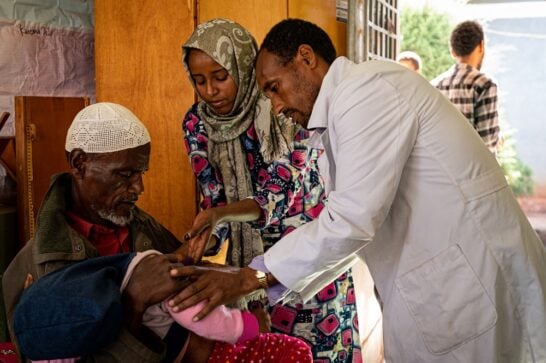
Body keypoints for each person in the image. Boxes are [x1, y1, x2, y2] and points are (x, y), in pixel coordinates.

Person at [169, 18, 546, 363]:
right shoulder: (336, 117)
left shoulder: (366, 90)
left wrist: (251, 277)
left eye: (274, 87)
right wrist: (261, 280)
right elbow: (353, 224)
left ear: (306, 58)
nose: (277, 105)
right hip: (440, 282)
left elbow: (351, 219)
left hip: (465, 281)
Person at [181, 18, 360, 361]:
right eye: (199, 80)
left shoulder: (287, 109)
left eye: (220, 77)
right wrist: (200, 239)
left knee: (318, 350)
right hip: (246, 268)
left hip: (306, 251)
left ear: (245, 68)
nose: (210, 91)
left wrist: (219, 215)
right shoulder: (196, 123)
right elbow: (213, 195)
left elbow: (275, 197)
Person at [2, 102, 192, 362]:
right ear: (79, 163)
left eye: (140, 173)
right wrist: (132, 303)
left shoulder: (147, 231)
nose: (139, 188)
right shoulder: (33, 269)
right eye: (125, 174)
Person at [14, 250, 312, 363]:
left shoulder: (47, 329)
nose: (137, 187)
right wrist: (248, 327)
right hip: (218, 351)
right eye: (127, 174)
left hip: (210, 349)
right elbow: (201, 314)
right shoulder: (149, 273)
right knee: (296, 352)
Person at [432, 20, 501, 153]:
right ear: (481, 46)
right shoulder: (485, 84)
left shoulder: (435, 85)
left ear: (452, 51)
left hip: (443, 170)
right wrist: (498, 140)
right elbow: (488, 142)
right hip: (475, 171)